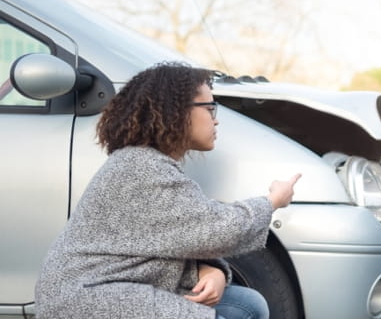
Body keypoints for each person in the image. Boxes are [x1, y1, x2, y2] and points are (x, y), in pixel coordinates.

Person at [34, 62, 299, 319]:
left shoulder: (145, 162)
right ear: (178, 112)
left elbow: (181, 239)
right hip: (89, 298)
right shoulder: (141, 168)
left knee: (246, 305)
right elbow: (217, 230)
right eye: (210, 108)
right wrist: (272, 201)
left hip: (114, 287)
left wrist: (213, 271)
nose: (216, 120)